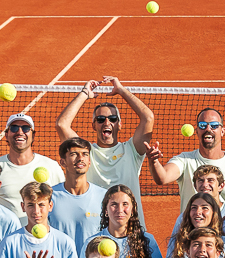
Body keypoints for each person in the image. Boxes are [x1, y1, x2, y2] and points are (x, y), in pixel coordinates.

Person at [54, 77, 155, 214]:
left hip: (129, 225)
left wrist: (121, 90)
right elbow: (62, 124)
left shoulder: (132, 150)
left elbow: (148, 118)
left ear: (119, 125)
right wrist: (84, 93)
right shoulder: (85, 153)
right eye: (101, 119)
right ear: (94, 125)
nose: (107, 123)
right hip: (97, 225)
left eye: (112, 119)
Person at [147, 106, 225, 212]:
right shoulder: (185, 160)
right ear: (197, 131)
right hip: (192, 222)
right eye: (202, 125)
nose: (208, 129)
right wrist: (154, 162)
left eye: (214, 125)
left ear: (222, 131)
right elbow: (163, 177)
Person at [0, 112, 65, 206]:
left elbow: (62, 200)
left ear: (33, 135)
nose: (20, 132)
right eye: (14, 128)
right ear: (6, 135)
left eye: (25, 128)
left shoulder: (51, 166)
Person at [49, 136, 107, 255]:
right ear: (63, 162)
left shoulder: (104, 197)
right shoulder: (50, 196)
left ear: (89, 162)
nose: (80, 158)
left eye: (85, 154)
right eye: (74, 154)